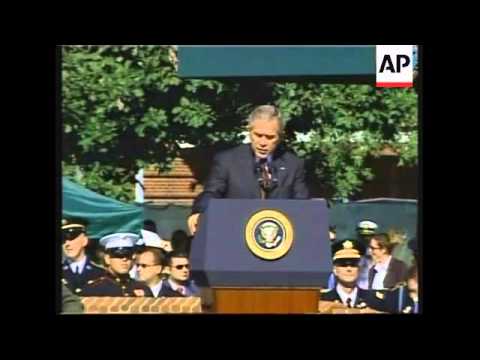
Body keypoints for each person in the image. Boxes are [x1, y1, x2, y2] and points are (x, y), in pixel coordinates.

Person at [187, 105, 309, 235]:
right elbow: (212, 192)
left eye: (270, 137)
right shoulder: (227, 161)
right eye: (258, 135)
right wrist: (199, 212)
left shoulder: (293, 165)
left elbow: (303, 204)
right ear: (249, 131)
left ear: (280, 136)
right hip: (235, 234)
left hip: (278, 239)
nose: (263, 142)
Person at [320, 239, 386, 311]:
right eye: (343, 265)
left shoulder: (373, 300)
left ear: (359, 268)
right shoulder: (323, 299)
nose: (349, 269)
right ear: (335, 270)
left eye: (353, 264)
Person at [82, 233, 153, 297]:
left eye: (128, 255)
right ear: (107, 259)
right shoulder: (94, 289)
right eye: (118, 255)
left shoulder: (143, 288)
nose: (124, 259)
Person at [61, 218, 106, 295]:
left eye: (72, 237)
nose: (67, 244)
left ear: (85, 241)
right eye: (62, 239)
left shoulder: (102, 273)